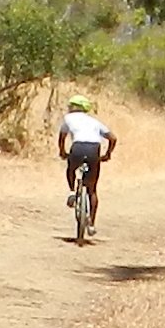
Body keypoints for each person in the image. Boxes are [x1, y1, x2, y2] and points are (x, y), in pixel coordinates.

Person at [57, 92, 115, 239]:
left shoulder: (68, 118)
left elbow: (62, 136)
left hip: (77, 147)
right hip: (94, 149)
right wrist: (107, 154)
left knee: (71, 169)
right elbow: (112, 138)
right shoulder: (94, 121)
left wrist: (62, 151)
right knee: (92, 189)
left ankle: (71, 191)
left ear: (74, 107)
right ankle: (91, 224)